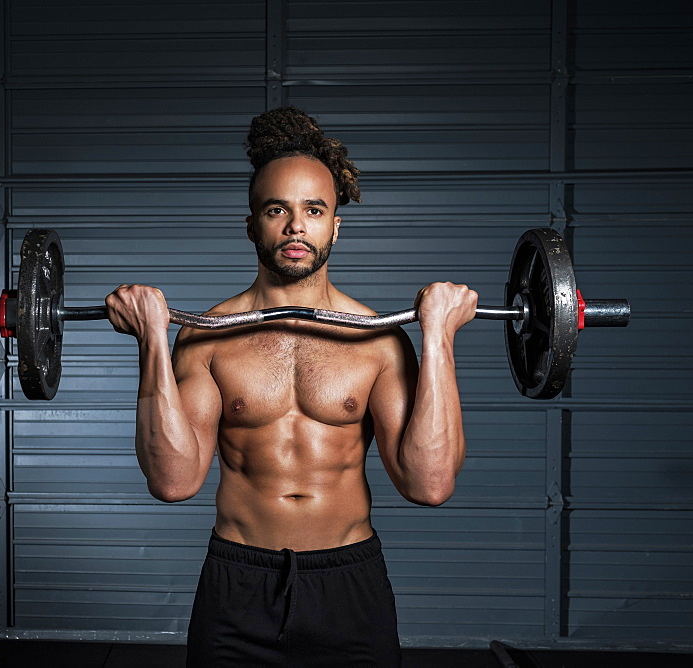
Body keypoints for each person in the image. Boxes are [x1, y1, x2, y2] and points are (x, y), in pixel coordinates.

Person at [105, 107, 478, 667]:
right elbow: (173, 481)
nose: (295, 226)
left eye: (314, 210)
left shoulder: (377, 342)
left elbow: (429, 484)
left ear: (335, 225)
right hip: (238, 585)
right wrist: (153, 342)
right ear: (252, 223)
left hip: (349, 585)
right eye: (277, 209)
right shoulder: (205, 340)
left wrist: (439, 337)